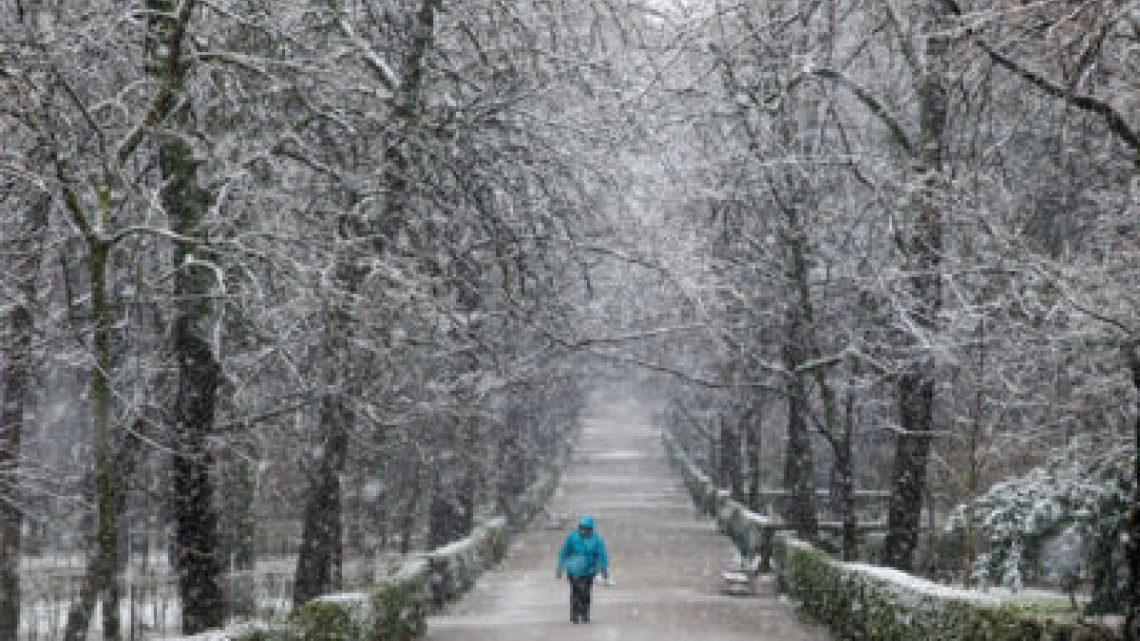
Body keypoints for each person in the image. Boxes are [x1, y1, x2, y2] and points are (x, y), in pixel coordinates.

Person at [555, 514, 609, 624]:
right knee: (575, 591)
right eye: (581, 528)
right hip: (573, 569)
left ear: (590, 529)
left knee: (586, 592)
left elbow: (601, 555)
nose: (583, 531)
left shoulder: (596, 539)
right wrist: (559, 567)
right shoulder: (572, 537)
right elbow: (563, 552)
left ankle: (584, 613)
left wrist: (604, 569)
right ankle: (574, 614)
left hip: (589, 570)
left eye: (586, 529)